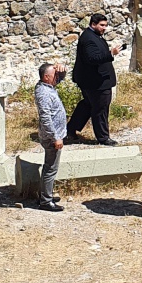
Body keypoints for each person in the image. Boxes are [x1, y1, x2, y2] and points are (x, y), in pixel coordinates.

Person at [66, 13, 120, 146]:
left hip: (95, 81)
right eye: (102, 25)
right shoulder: (89, 38)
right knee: (100, 109)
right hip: (95, 83)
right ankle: (103, 137)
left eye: (105, 25)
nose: (104, 28)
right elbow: (92, 59)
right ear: (93, 24)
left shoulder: (95, 36)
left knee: (87, 105)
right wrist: (110, 54)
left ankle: (70, 129)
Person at [31, 63, 68, 212]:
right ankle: (46, 200)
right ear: (46, 77)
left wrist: (63, 70)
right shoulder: (44, 93)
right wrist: (55, 137)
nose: (57, 77)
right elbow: (46, 118)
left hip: (54, 135)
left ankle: (46, 194)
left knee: (50, 167)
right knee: (50, 168)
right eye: (54, 74)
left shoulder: (46, 86)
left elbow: (60, 79)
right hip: (52, 137)